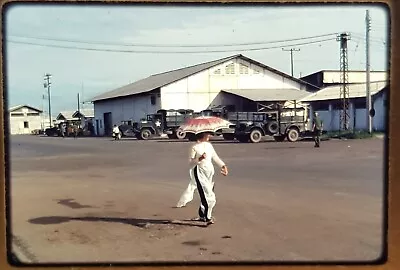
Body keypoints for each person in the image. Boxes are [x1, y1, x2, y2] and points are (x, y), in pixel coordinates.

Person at [184, 132, 228, 225]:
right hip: (199, 172)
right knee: (208, 195)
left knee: (207, 192)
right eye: (207, 134)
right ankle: (208, 217)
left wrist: (223, 166)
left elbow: (215, 157)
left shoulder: (208, 145)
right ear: (202, 135)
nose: (209, 136)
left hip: (209, 172)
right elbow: (190, 163)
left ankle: (202, 214)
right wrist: (199, 159)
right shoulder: (194, 147)